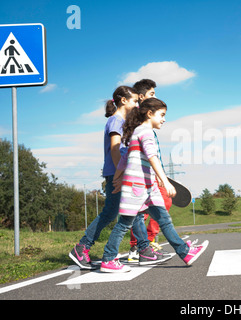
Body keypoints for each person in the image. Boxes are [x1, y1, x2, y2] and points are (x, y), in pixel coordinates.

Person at [101, 98, 208, 273]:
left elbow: (123, 161)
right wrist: (165, 181)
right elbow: (152, 157)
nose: (164, 119)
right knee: (124, 224)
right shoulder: (145, 132)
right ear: (150, 114)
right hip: (137, 187)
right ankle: (108, 259)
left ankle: (185, 252)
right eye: (162, 115)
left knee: (164, 220)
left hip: (147, 188)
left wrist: (118, 178)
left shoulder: (136, 132)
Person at [68, 86, 139, 270]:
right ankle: (82, 248)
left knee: (114, 212)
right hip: (116, 173)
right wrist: (120, 174)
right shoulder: (116, 121)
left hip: (117, 172)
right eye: (134, 101)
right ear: (123, 100)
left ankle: (84, 248)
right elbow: (115, 149)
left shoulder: (121, 121)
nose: (137, 104)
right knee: (110, 213)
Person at [127, 79, 169, 262]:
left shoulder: (147, 119)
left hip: (150, 171)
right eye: (152, 94)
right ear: (142, 97)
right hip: (139, 174)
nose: (155, 96)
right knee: (141, 211)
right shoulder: (135, 119)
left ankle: (143, 244)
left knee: (161, 203)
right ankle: (139, 246)